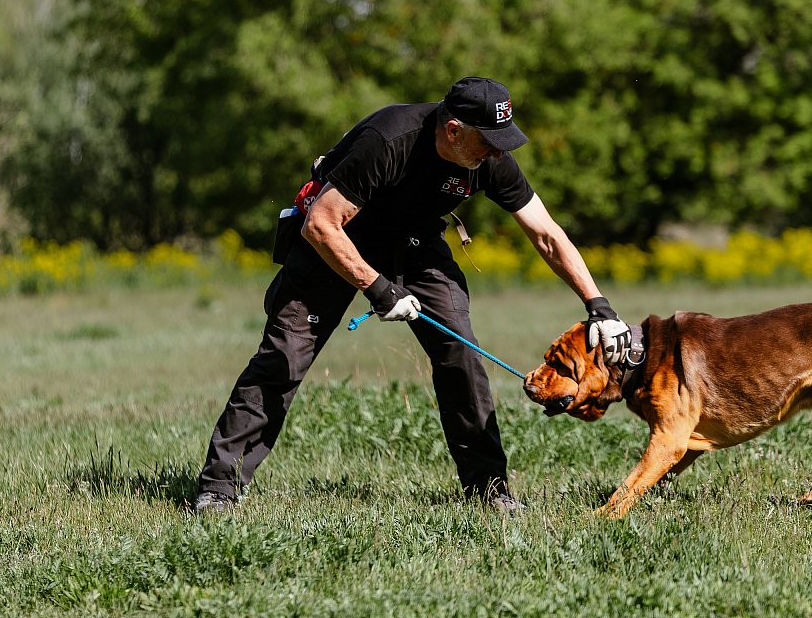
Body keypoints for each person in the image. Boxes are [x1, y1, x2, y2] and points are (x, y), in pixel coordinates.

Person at [193, 76, 637, 514]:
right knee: (284, 358)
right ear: (453, 130)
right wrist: (379, 288)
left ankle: (489, 491)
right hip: (336, 239)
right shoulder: (388, 141)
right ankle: (219, 489)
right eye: (490, 142)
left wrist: (599, 307)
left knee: (461, 354)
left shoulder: (488, 160)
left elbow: (547, 235)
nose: (498, 154)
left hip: (415, 243)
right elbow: (321, 225)